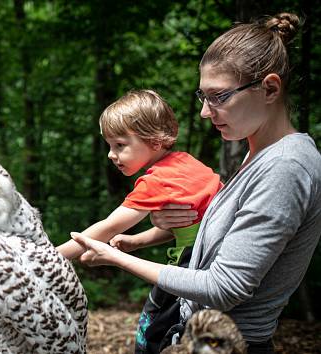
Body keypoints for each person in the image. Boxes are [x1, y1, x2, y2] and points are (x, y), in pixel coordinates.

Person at [71, 13, 321, 354]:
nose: (205, 111)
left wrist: (116, 258)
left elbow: (224, 287)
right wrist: (168, 229)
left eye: (219, 97)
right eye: (203, 96)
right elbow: (225, 242)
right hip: (196, 333)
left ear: (270, 88)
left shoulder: (286, 167)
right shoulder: (258, 155)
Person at [56, 89, 222, 354]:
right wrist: (135, 241)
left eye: (120, 145)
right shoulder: (188, 166)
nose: (111, 154)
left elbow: (108, 226)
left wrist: (48, 258)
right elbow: (186, 225)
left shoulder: (157, 180)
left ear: (155, 141)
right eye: (110, 145)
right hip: (211, 261)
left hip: (190, 266)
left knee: (151, 333)